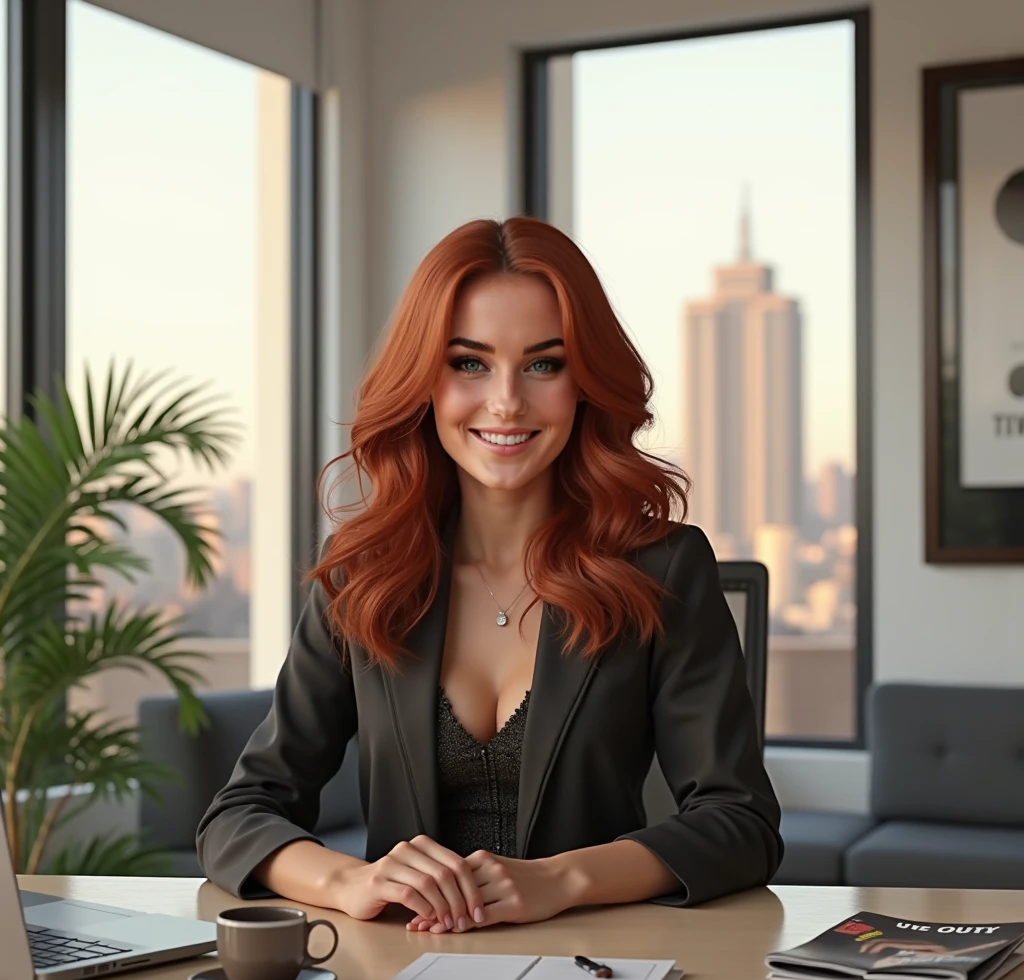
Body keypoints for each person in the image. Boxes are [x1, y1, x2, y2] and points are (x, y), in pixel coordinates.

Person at [197, 216, 783, 934]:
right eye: (470, 363)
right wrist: (351, 881)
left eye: (544, 364)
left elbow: (740, 822)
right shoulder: (363, 578)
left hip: (597, 970)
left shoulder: (662, 567)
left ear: (584, 384)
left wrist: (561, 879)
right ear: (426, 381)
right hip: (398, 975)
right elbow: (240, 813)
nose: (506, 401)